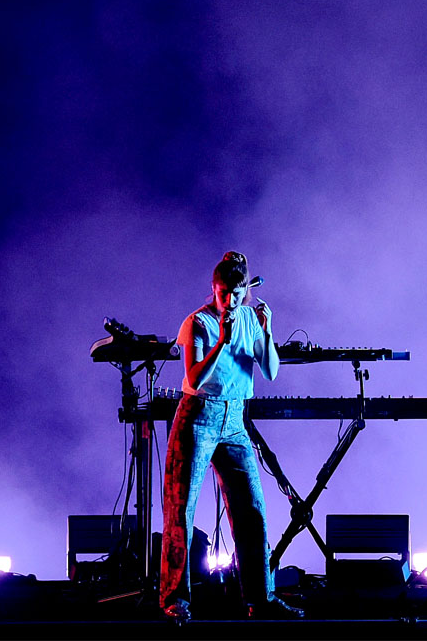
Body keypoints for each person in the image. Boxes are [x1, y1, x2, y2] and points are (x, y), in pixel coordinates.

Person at [159, 251, 303, 621]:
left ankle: (261, 598)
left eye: (237, 294)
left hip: (235, 419)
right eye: (224, 293)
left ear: (245, 291)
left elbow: (270, 371)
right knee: (181, 510)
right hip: (199, 416)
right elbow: (193, 379)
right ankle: (176, 600)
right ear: (214, 288)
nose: (230, 300)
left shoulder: (251, 321)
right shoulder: (198, 323)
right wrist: (223, 339)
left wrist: (267, 331)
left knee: (252, 510)